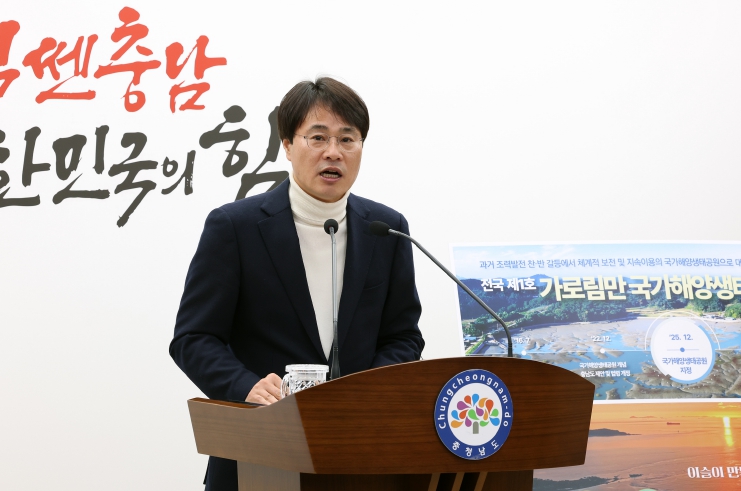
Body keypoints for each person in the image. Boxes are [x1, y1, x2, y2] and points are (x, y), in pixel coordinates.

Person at [169, 77, 424, 491]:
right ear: (287, 145)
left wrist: (369, 392)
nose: (333, 152)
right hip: (259, 455)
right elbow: (193, 338)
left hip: (361, 457)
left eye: (347, 139)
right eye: (317, 137)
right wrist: (246, 386)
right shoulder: (235, 227)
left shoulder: (386, 229)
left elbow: (403, 337)